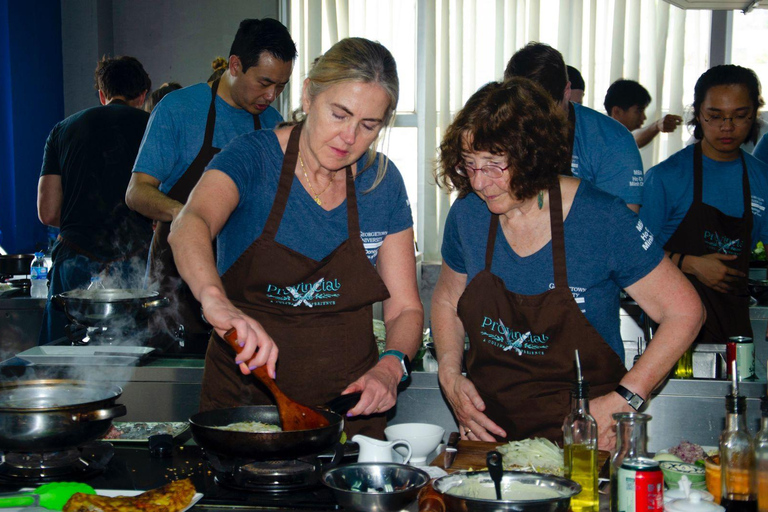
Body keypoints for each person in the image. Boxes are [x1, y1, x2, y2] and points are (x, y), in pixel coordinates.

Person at [168, 38, 423, 437]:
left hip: (351, 409)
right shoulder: (252, 158)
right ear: (308, 95)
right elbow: (190, 222)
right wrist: (215, 300)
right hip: (246, 406)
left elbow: (405, 308)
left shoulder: (383, 184)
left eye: (368, 125)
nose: (349, 138)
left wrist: (392, 365)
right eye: (339, 114)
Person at [431, 79, 704, 449]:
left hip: (588, 440)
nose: (481, 182)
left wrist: (628, 399)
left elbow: (685, 312)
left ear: (533, 156)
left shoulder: (601, 217)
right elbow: (448, 300)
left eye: (495, 166)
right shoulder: (468, 215)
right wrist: (449, 372)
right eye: (470, 165)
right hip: (489, 437)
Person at [126, 19, 296, 346]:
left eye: (281, 86)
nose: (272, 95)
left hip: (244, 287)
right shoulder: (179, 109)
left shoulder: (273, 125)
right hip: (177, 284)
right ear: (235, 65)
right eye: (264, 82)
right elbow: (137, 192)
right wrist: (189, 217)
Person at [640, 65, 768, 345]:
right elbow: (632, 256)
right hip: (672, 331)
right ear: (698, 113)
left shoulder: (762, 179)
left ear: (754, 115)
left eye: (740, 116)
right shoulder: (666, 178)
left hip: (734, 326)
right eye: (715, 116)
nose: (727, 127)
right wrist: (690, 264)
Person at [37, 56, 153, 344]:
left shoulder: (62, 130)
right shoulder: (153, 126)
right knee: (133, 361)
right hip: (134, 263)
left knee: (61, 359)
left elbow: (48, 212)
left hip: (75, 261)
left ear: (102, 94)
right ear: (142, 96)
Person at [505, 43, 644, 212]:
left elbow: (622, 229)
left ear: (567, 91)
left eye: (546, 115)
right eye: (524, 116)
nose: (536, 126)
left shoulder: (614, 142)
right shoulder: (496, 131)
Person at [604, 79, 683, 149]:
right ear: (617, 112)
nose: (644, 117)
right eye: (639, 111)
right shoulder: (601, 141)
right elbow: (628, 141)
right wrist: (656, 126)